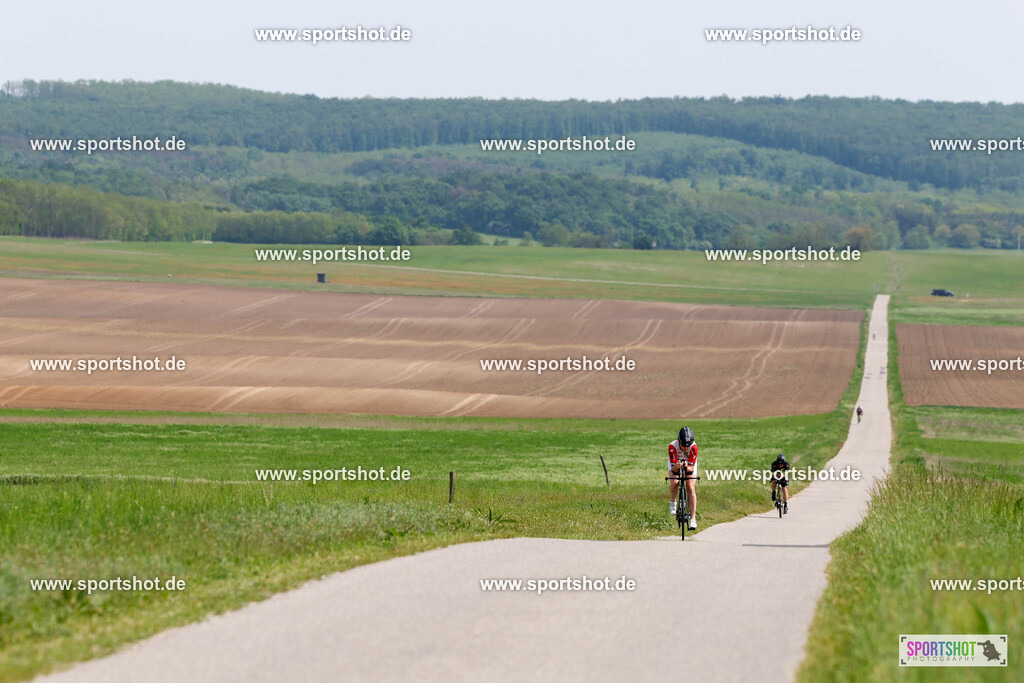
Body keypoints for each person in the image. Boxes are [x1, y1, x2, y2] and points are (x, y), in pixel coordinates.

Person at [668, 426, 698, 529]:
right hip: (676, 463)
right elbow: (673, 470)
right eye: (683, 445)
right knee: (674, 481)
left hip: (689, 464)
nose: (686, 448)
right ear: (678, 441)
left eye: (687, 445)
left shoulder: (693, 447)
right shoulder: (672, 446)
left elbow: (691, 468)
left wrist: (686, 467)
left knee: (690, 487)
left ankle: (693, 519)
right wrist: (677, 466)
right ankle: (673, 501)